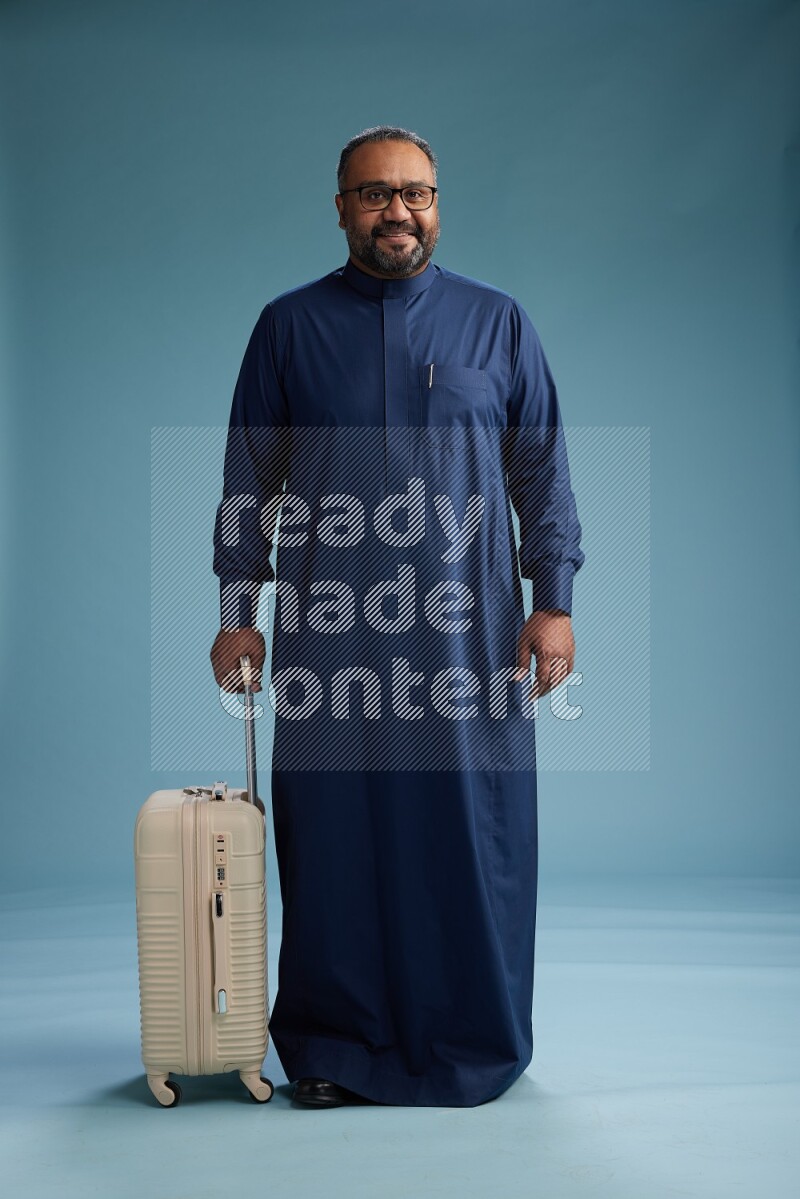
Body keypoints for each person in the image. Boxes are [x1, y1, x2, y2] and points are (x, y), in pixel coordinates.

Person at [210, 125, 584, 1108]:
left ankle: (472, 1039)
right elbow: (248, 482)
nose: (396, 211)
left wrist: (554, 603)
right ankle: (336, 1045)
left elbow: (540, 475)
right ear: (339, 208)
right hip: (333, 632)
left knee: (469, 832)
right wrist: (235, 609)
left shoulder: (494, 325)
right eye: (373, 194)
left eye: (413, 192)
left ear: (436, 203)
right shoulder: (288, 328)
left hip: (469, 634)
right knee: (337, 834)